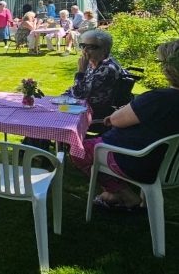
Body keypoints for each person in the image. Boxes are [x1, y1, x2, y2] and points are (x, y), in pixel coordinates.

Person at [71, 40, 179, 211]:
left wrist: (114, 117)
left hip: (135, 159)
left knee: (78, 150)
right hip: (166, 162)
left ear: (169, 68)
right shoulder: (163, 100)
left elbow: (115, 120)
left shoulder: (159, 99)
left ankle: (123, 194)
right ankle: (113, 195)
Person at [63, 30, 122, 120]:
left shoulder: (107, 69)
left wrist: (81, 72)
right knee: (51, 107)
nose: (85, 50)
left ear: (104, 50)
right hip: (82, 106)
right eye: (83, 46)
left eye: (91, 47)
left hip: (92, 112)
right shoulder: (94, 63)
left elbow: (80, 95)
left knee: (55, 112)